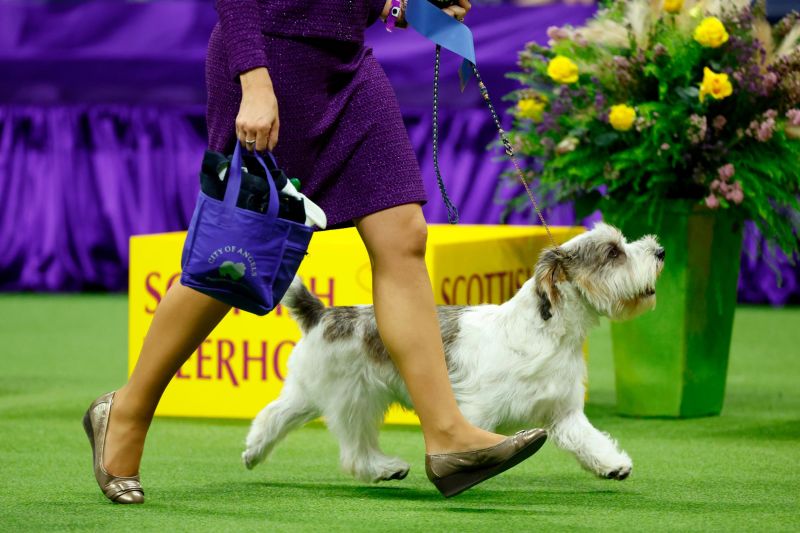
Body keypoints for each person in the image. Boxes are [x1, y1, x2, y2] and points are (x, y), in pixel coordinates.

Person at [82, 0, 546, 504]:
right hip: (268, 60)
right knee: (233, 264)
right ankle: (126, 412)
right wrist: (253, 81)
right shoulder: (256, 73)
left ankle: (447, 435)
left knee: (404, 235)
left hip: (347, 65)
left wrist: (400, 3)